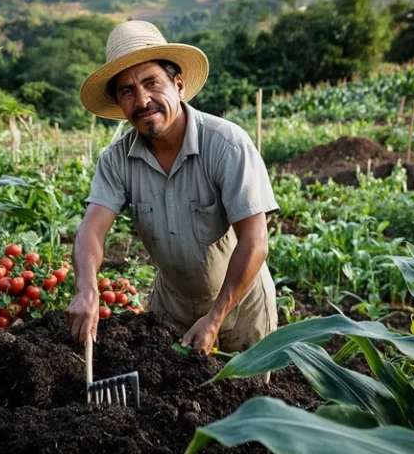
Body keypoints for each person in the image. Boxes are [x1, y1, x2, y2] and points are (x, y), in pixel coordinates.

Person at [65, 20, 279, 355]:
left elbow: (255, 241)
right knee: (174, 402)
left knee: (245, 401)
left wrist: (215, 316)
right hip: (172, 309)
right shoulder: (117, 160)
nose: (142, 100)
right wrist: (86, 288)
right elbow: (91, 229)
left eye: (152, 83)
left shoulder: (226, 144)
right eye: (127, 91)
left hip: (240, 305)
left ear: (178, 85)